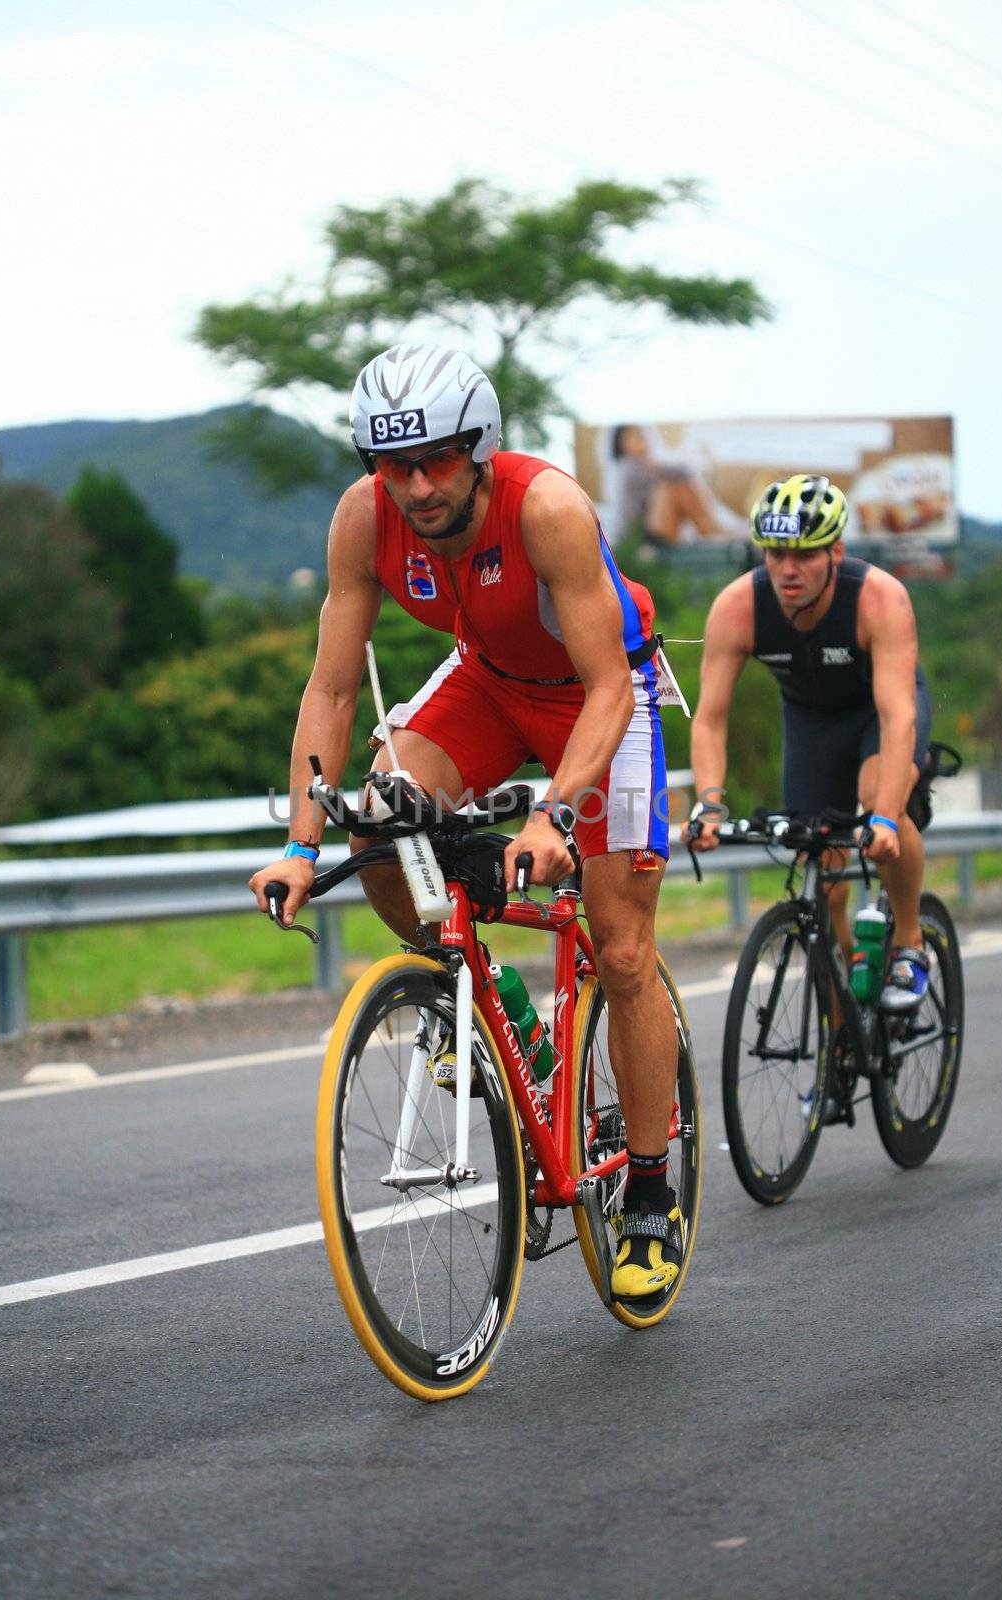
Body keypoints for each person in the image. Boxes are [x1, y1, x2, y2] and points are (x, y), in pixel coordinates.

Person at [250, 342, 681, 1299]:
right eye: (391, 465)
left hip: (600, 696)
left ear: (478, 449)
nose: (414, 486)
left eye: (436, 460)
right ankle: (496, 1014)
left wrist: (555, 817)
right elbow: (328, 686)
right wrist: (295, 845)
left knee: (619, 949)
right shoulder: (365, 519)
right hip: (487, 683)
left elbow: (609, 682)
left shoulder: (548, 509)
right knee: (379, 821)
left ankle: (650, 1191)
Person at [685, 472, 933, 1027]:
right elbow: (710, 718)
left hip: (880, 713)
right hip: (811, 723)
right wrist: (709, 801)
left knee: (878, 801)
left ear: (836, 551)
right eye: (774, 554)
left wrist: (887, 819)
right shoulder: (738, 607)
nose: (787, 570)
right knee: (819, 875)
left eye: (803, 555)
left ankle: (911, 942)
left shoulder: (879, 597)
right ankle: (843, 1019)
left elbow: (899, 717)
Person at [605, 424, 745, 553]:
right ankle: (712, 529)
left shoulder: (633, 466)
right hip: (639, 539)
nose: (641, 437)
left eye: (641, 433)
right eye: (633, 435)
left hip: (647, 532)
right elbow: (682, 472)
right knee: (670, 489)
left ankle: (712, 529)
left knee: (674, 488)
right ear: (620, 444)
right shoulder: (629, 466)